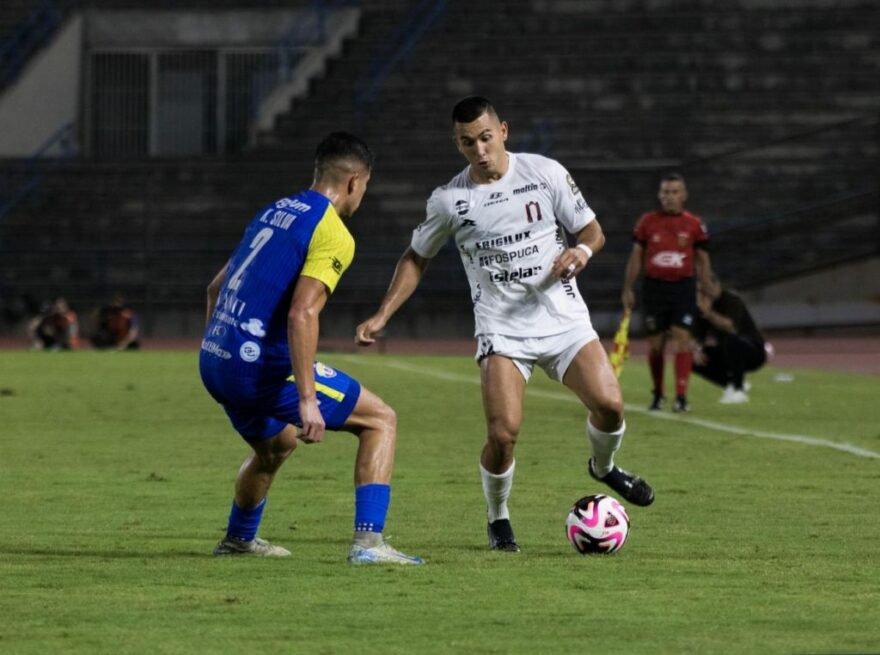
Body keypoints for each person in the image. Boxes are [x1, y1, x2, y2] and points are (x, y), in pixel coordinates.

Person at [356, 96, 654, 553]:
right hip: (502, 329)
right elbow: (416, 257)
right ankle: (498, 516)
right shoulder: (450, 200)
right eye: (467, 142)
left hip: (562, 319)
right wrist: (382, 314)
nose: (479, 150)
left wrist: (581, 252)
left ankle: (604, 468)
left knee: (611, 406)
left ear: (504, 131)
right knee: (502, 434)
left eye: (485, 138)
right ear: (457, 144)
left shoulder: (545, 173)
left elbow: (592, 231)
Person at [200, 132, 423, 565]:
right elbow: (302, 313)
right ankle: (369, 544)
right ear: (355, 181)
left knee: (277, 446)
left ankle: (238, 539)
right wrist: (307, 400)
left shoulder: (274, 210)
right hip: (257, 369)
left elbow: (215, 287)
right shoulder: (333, 232)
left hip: (214, 360)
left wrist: (217, 344)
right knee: (380, 420)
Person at [621, 173, 712, 412]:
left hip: (683, 287)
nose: (670, 197)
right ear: (659, 195)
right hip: (654, 288)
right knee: (656, 344)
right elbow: (636, 257)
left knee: (682, 339)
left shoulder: (694, 224)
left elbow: (703, 260)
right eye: (666, 192)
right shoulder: (647, 222)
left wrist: (705, 289)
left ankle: (681, 397)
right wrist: (628, 288)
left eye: (674, 192)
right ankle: (658, 393)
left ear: (684, 195)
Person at [692, 275, 767, 404]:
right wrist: (697, 349)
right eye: (701, 291)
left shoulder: (732, 300)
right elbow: (698, 335)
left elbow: (731, 328)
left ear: (717, 285)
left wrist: (709, 314)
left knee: (732, 341)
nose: (705, 293)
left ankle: (739, 390)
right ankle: (730, 384)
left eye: (706, 289)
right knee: (690, 358)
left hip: (752, 351)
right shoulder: (703, 306)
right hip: (728, 351)